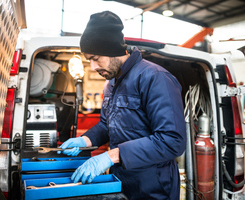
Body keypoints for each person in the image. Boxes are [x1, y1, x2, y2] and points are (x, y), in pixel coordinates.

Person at [58, 11, 186, 199]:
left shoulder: (155, 78)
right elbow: (106, 124)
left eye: (95, 58)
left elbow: (172, 140)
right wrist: (86, 141)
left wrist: (111, 156)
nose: (92, 67)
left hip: (154, 186)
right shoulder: (111, 83)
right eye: (89, 60)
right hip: (121, 180)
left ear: (113, 51)